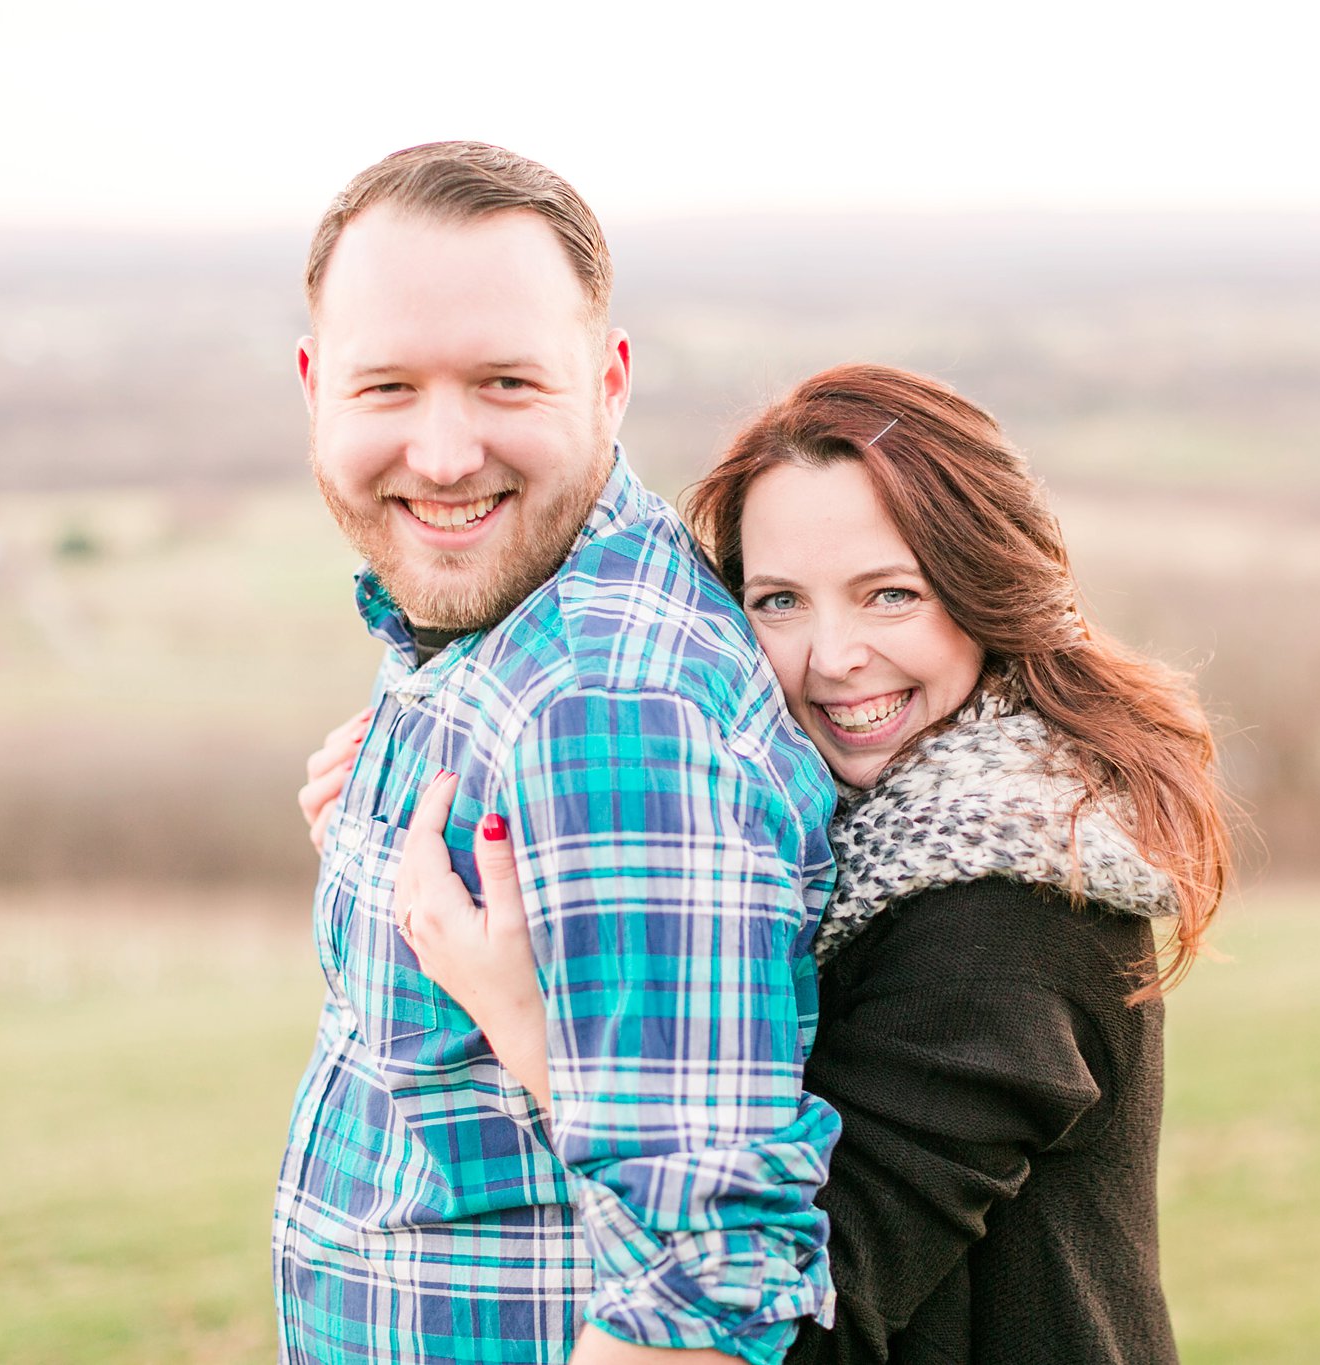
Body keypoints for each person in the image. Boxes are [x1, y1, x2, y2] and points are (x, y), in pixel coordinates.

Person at [306, 365, 1237, 1362]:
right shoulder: (835, 825)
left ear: (986, 593)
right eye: (779, 601)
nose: (832, 655)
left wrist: (521, 1023)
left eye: (890, 595)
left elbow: (793, 1328)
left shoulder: (1005, 917)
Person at [273, 141, 842, 1365]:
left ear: (608, 382)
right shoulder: (480, 636)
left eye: (504, 385)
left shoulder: (608, 708)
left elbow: (698, 1287)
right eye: (387, 391)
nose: (440, 453)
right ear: (316, 388)